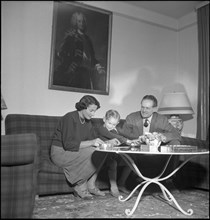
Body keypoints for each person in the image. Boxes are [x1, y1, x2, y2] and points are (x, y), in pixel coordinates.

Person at [50, 95, 108, 200]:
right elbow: (68, 145)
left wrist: (106, 143)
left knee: (102, 151)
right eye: (91, 111)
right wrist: (91, 142)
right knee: (93, 152)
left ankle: (91, 185)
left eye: (95, 111)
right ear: (82, 107)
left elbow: (92, 140)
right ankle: (80, 186)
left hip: (73, 150)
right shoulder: (69, 118)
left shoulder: (88, 122)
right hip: (60, 153)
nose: (93, 114)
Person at [119, 95, 181, 183]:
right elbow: (123, 134)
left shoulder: (161, 119)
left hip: (156, 149)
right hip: (137, 148)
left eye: (147, 108)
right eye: (142, 107)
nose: (144, 110)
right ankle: (128, 180)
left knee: (176, 142)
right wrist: (139, 138)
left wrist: (161, 136)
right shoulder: (131, 117)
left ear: (154, 109)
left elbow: (176, 134)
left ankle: (168, 178)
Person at [54, 11, 105, 90]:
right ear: (76, 23)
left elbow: (92, 58)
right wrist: (70, 61)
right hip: (76, 72)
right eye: (79, 21)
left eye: (83, 21)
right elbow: (62, 54)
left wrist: (98, 67)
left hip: (88, 73)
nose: (82, 23)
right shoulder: (71, 37)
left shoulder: (88, 39)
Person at [96, 109, 137, 197]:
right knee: (113, 163)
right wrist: (126, 141)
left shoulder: (115, 130)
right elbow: (113, 136)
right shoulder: (101, 129)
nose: (111, 126)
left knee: (131, 161)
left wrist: (137, 139)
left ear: (117, 123)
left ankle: (121, 183)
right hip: (103, 156)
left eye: (114, 124)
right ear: (104, 119)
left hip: (115, 154)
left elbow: (124, 135)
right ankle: (114, 187)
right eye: (109, 123)